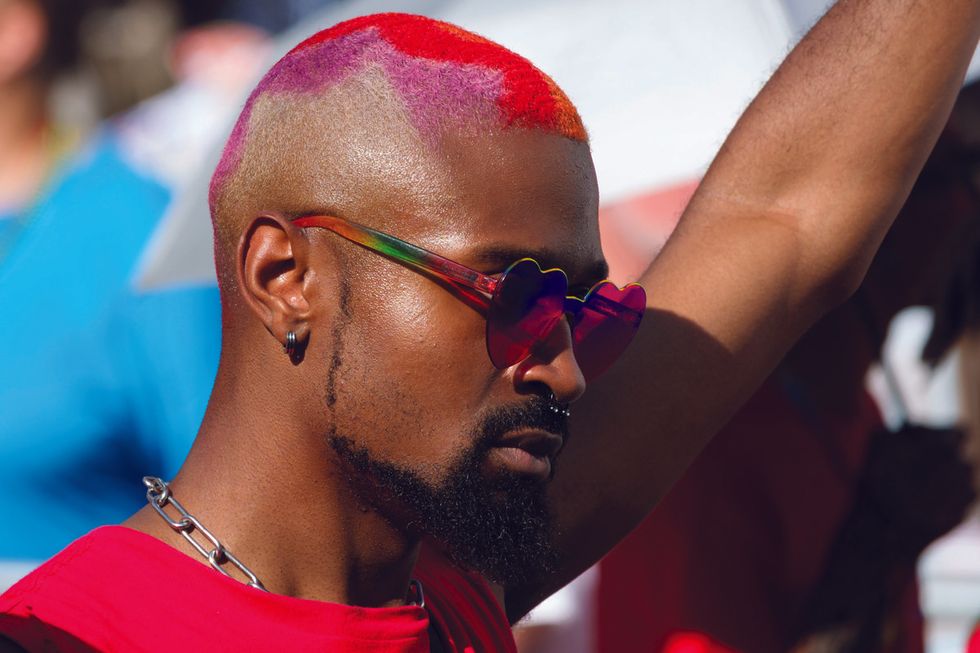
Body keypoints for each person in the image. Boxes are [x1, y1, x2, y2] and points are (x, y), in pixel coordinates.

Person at [1, 5, 978, 651]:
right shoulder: (68, 635)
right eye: (507, 293)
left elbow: (784, 219)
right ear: (283, 275)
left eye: (576, 301)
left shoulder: (451, 586)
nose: (563, 368)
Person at [597, 84, 980, 653]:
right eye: (944, 174)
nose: (965, 207)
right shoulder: (706, 441)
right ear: (855, 217)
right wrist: (875, 542)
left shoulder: (855, 408)